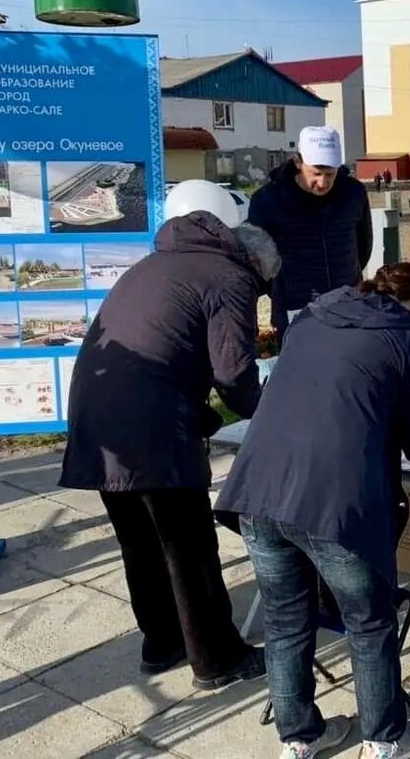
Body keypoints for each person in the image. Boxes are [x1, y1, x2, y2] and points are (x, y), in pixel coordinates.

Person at [216, 262, 410, 759]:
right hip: (336, 505)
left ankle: (299, 737)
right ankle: (384, 738)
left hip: (259, 489)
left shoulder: (314, 318)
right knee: (368, 620)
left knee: (285, 618)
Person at [60, 210, 281, 690]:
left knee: (139, 540)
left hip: (96, 417)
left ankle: (161, 643)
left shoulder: (160, 262)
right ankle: (217, 659)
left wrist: (202, 414)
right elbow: (233, 375)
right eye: (264, 289)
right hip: (149, 426)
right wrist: (277, 415)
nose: (259, 298)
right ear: (255, 267)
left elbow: (169, 349)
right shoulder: (229, 277)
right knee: (188, 545)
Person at [248, 125, 372, 336]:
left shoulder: (353, 193)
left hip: (348, 302)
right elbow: (257, 260)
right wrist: (281, 290)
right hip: (295, 307)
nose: (322, 182)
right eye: (315, 173)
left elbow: (363, 246)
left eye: (330, 174)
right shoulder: (268, 201)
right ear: (298, 162)